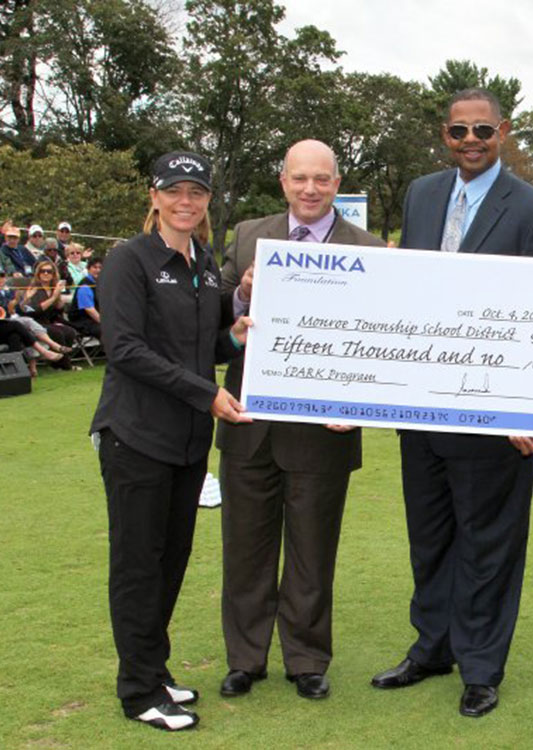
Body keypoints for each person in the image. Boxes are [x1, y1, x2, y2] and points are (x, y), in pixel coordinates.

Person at [370, 88, 533, 718]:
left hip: (492, 416)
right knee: (429, 539)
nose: (471, 141)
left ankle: (480, 668)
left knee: (487, 546)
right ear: (445, 135)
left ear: (502, 133)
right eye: (459, 131)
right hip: (420, 411)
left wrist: (531, 412)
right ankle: (432, 649)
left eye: (483, 130)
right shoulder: (422, 195)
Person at [216, 139, 383, 702]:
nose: (310, 189)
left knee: (313, 553)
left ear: (337, 183)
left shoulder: (369, 248)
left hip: (324, 429)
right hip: (249, 421)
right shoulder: (248, 236)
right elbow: (216, 315)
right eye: (300, 178)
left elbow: (383, 334)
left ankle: (307, 660)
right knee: (245, 550)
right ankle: (245, 659)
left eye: (321, 179)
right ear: (283, 181)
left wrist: (360, 403)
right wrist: (241, 297)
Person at [90, 150, 252, 732]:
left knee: (169, 562)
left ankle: (153, 671)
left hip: (186, 443)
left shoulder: (203, 264)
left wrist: (235, 337)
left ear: (208, 201)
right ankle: (138, 691)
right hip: (135, 436)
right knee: (138, 567)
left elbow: (203, 348)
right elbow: (125, 349)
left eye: (197, 192)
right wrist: (205, 394)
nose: (186, 201)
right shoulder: (129, 259)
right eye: (174, 191)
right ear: (154, 197)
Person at [16, 258, 80, 355]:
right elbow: (36, 310)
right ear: (38, 273)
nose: (46, 273)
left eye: (49, 271)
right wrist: (53, 297)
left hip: (49, 321)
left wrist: (58, 297)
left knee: (70, 332)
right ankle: (60, 361)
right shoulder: (34, 288)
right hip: (35, 322)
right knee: (57, 333)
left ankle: (64, 359)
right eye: (43, 271)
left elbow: (58, 309)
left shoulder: (54, 288)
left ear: (53, 274)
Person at [68, 256, 102, 338]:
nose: (98, 270)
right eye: (95, 267)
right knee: (107, 330)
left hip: (94, 319)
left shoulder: (101, 283)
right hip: (82, 321)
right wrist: (106, 323)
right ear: (88, 269)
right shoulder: (85, 286)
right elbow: (90, 310)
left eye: (100, 268)